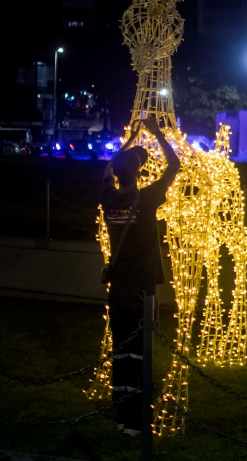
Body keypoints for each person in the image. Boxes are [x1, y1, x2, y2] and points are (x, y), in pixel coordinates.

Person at [98, 117, 180, 436]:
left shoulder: (109, 200)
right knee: (140, 353)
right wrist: (157, 134)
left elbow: (107, 170)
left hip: (118, 288)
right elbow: (173, 165)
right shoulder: (145, 200)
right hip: (143, 290)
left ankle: (122, 413)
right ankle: (136, 420)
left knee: (121, 350)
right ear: (139, 174)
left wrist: (130, 139)